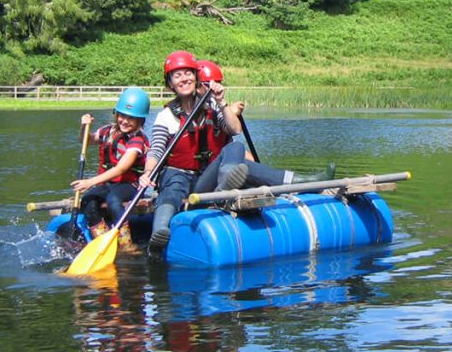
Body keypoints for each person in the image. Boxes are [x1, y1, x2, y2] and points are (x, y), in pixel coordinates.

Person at [141, 51, 244, 254]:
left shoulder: (212, 105)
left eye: (188, 73)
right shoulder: (165, 116)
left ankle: (223, 188)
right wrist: (147, 173)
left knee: (236, 147)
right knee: (173, 184)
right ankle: (160, 230)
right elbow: (156, 150)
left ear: (196, 78)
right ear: (170, 84)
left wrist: (222, 103)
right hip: (177, 176)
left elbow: (235, 130)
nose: (184, 79)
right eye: (177, 76)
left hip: (204, 179)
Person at [191, 58, 335, 194]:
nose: (215, 87)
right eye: (209, 84)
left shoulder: (217, 108)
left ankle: (304, 182)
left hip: (221, 173)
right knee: (239, 159)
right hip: (198, 182)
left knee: (240, 155)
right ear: (197, 87)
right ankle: (302, 183)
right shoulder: (186, 114)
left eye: (218, 82)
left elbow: (235, 131)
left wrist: (224, 106)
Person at [71, 86, 150, 248]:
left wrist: (90, 182)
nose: (125, 121)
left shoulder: (137, 140)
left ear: (140, 121)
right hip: (108, 184)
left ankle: (125, 244)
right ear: (116, 114)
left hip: (129, 185)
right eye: (122, 116)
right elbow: (87, 140)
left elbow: (121, 169)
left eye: (131, 118)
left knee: (113, 200)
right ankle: (101, 239)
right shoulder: (108, 130)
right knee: (88, 201)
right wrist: (85, 127)